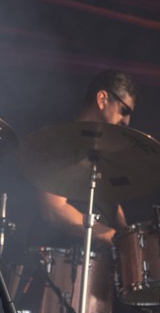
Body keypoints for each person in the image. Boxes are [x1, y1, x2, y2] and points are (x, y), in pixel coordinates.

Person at [36, 69, 137, 247]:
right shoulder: (61, 141)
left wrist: (128, 237)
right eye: (124, 110)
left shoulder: (106, 152)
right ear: (102, 99)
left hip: (102, 258)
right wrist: (113, 238)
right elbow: (54, 209)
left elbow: (111, 204)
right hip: (64, 254)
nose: (127, 121)